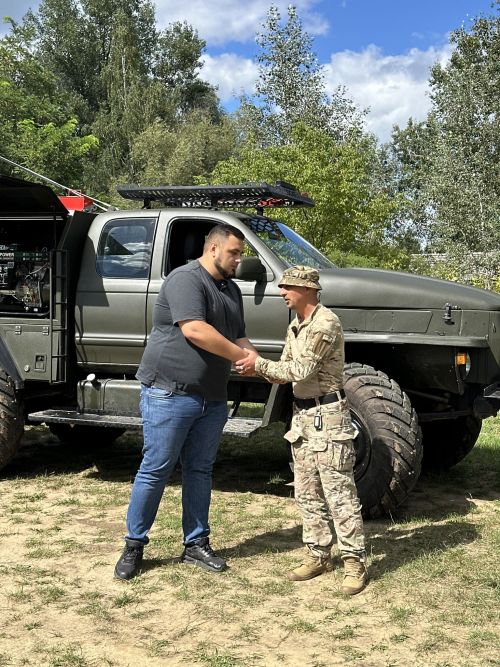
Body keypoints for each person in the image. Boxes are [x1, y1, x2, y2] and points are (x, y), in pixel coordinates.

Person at [114, 223, 254, 580]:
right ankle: (134, 546)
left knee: (200, 470)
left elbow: (238, 334)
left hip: (212, 396)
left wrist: (259, 361)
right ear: (213, 249)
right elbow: (195, 329)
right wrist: (240, 355)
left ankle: (195, 544)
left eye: (240, 254)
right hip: (170, 391)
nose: (238, 259)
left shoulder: (231, 289)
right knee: (157, 469)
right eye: (234, 252)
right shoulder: (186, 279)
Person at [235, 265, 367, 595]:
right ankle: (318, 554)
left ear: (308, 289)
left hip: (328, 416)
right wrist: (261, 368)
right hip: (303, 417)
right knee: (306, 491)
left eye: (288, 287)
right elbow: (283, 372)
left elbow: (299, 369)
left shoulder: (325, 324)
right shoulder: (296, 324)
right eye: (282, 286)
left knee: (339, 493)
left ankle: (354, 562)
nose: (282, 292)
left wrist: (257, 364)